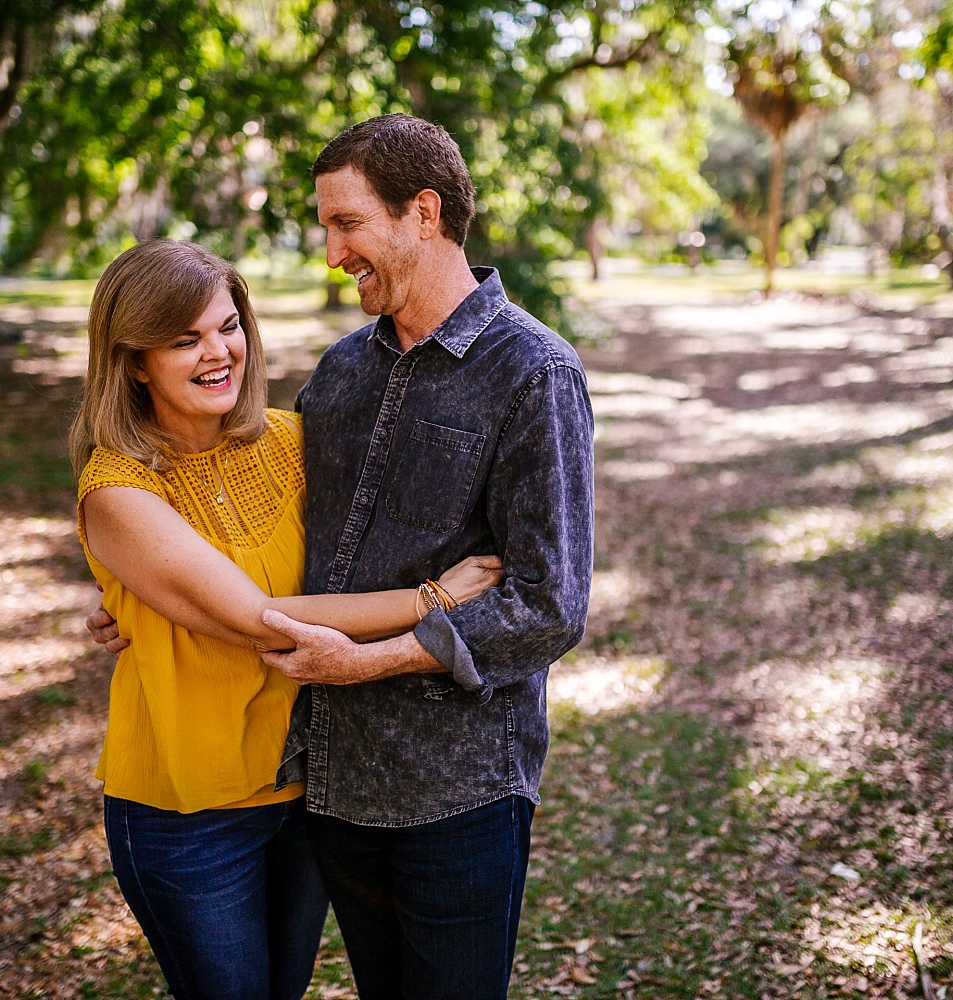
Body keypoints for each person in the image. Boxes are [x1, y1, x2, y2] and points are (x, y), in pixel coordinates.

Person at [71, 238, 502, 1000]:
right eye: (184, 339)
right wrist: (431, 600)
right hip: (187, 809)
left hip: (302, 791)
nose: (218, 353)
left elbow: (371, 545)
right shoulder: (118, 489)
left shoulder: (292, 441)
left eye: (227, 326)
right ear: (134, 361)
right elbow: (258, 616)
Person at [258, 115, 594, 999]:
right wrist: (142, 597)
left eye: (346, 224)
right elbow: (273, 538)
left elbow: (547, 603)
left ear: (424, 212)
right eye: (326, 226)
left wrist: (366, 661)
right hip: (332, 781)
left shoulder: (534, 373)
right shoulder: (336, 374)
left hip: (459, 792)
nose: (332, 252)